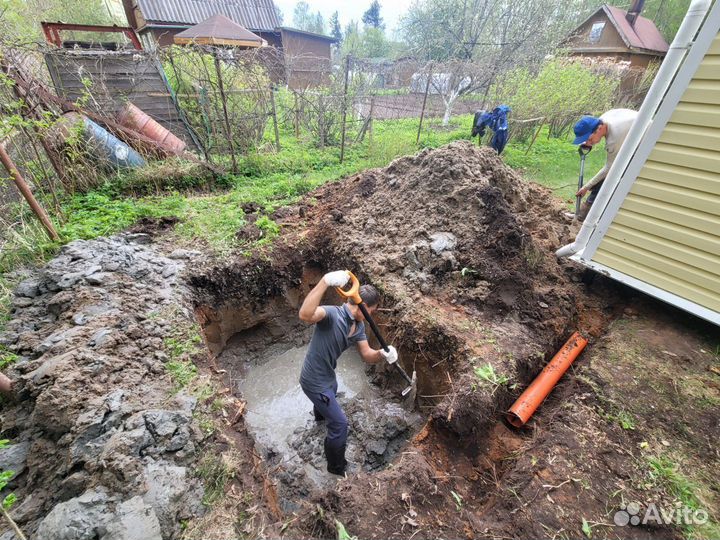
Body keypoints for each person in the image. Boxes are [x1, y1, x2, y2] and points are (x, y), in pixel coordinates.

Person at [298, 270, 398, 476]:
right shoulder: (332, 314)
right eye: (373, 311)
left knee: (332, 391)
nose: (373, 315)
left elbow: (367, 354)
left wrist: (382, 354)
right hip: (313, 381)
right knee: (340, 424)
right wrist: (324, 282)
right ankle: (336, 468)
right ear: (364, 307)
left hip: (328, 377)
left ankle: (320, 422)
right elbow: (305, 315)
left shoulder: (358, 326)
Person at [572, 108, 638, 221]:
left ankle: (588, 217)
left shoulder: (615, 140)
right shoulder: (604, 119)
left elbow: (610, 168)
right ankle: (584, 213)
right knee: (600, 182)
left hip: (647, 150)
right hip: (635, 139)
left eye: (589, 139)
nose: (587, 143)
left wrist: (586, 187)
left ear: (599, 129)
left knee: (607, 181)